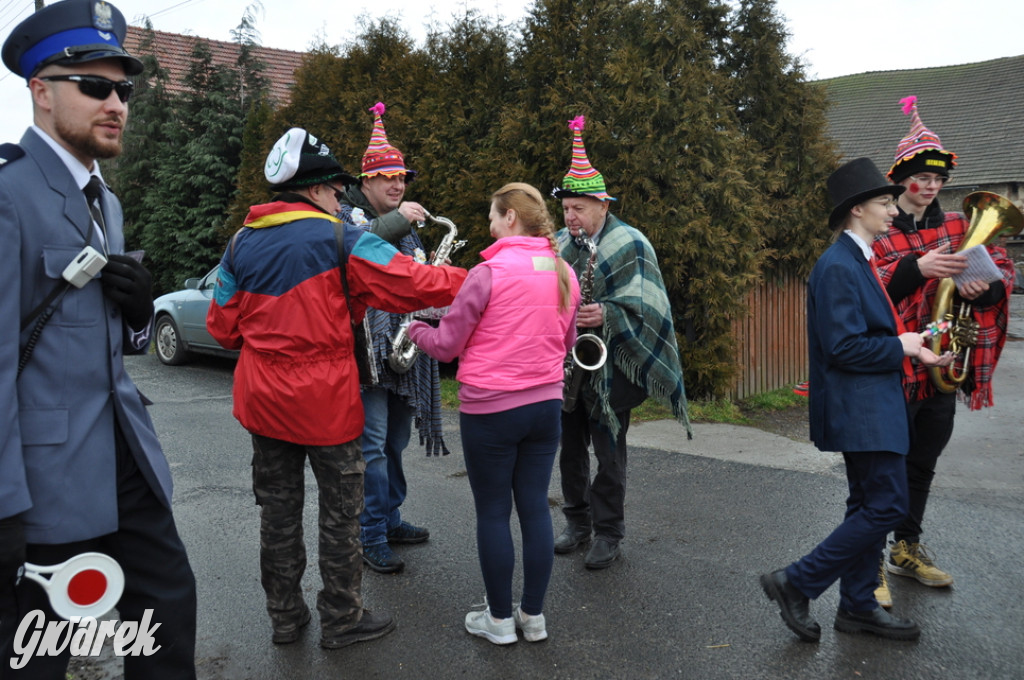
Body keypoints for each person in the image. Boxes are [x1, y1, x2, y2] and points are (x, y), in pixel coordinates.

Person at [205, 128, 466, 649]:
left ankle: (285, 619)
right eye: (336, 191)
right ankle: (342, 620)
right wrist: (483, 277)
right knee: (340, 515)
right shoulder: (342, 238)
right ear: (318, 189)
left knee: (277, 517)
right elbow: (417, 283)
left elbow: (222, 328)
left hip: (262, 400)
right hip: (325, 402)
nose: (340, 199)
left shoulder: (239, 243)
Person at [0, 1, 197, 676]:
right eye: (95, 85)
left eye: (125, 89)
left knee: (168, 616)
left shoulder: (103, 199)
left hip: (124, 459)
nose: (116, 103)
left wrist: (140, 315)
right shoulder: (8, 193)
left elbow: (113, 345)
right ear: (42, 90)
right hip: (43, 480)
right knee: (38, 653)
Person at [760, 157, 953, 643]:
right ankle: (797, 581)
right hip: (862, 410)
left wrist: (913, 345)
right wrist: (899, 346)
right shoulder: (839, 267)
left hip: (872, 405)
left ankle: (858, 606)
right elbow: (843, 347)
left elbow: (864, 335)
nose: (893, 211)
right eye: (885, 203)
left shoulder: (859, 259)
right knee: (887, 506)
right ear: (856, 211)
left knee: (868, 504)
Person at [407, 182, 580, 644]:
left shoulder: (486, 273)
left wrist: (415, 330)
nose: (488, 225)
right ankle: (533, 617)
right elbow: (564, 344)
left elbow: (446, 344)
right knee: (536, 509)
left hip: (491, 410)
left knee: (492, 512)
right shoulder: (563, 270)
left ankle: (499, 620)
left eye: (491, 216)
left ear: (509, 218)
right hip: (545, 407)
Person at [872, 96, 1016, 603]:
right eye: (921, 177)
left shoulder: (960, 223)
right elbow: (871, 286)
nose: (931, 186)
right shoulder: (879, 225)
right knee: (885, 461)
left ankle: (906, 547)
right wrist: (918, 269)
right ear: (901, 179)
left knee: (923, 460)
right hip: (895, 366)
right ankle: (871, 561)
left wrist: (989, 287)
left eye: (938, 178)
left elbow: (999, 265)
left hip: (944, 363)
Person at [550, 116, 691, 570]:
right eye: (566, 209)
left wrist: (608, 313)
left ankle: (609, 531)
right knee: (568, 451)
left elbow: (652, 306)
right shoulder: (558, 244)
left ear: (602, 204)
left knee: (609, 455)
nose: (570, 217)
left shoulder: (632, 243)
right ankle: (577, 522)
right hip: (568, 368)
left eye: (579, 208)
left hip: (615, 369)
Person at [337, 102, 437, 575]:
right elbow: (359, 245)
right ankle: (369, 533)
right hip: (366, 356)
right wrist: (401, 221)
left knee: (395, 442)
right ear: (366, 181)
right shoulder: (347, 215)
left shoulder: (408, 229)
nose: (398, 184)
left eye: (402, 177)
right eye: (388, 177)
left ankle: (389, 517)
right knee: (372, 445)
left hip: (402, 351)